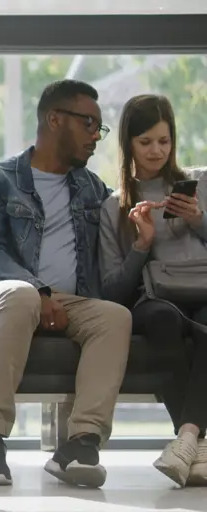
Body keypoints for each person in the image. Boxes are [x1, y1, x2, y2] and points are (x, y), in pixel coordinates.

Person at [0, 79, 132, 489]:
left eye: (99, 128)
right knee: (20, 296)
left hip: (64, 303)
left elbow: (114, 248)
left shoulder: (92, 189)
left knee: (114, 317)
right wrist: (38, 289)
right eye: (89, 124)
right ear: (54, 119)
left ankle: (80, 443)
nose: (95, 137)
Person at [98, 94, 207, 487]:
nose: (157, 151)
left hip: (203, 294)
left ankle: (187, 444)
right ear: (128, 143)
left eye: (164, 140)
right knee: (160, 318)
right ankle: (196, 443)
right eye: (145, 142)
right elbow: (112, 293)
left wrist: (198, 220)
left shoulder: (202, 183)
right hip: (154, 302)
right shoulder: (113, 207)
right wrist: (141, 246)